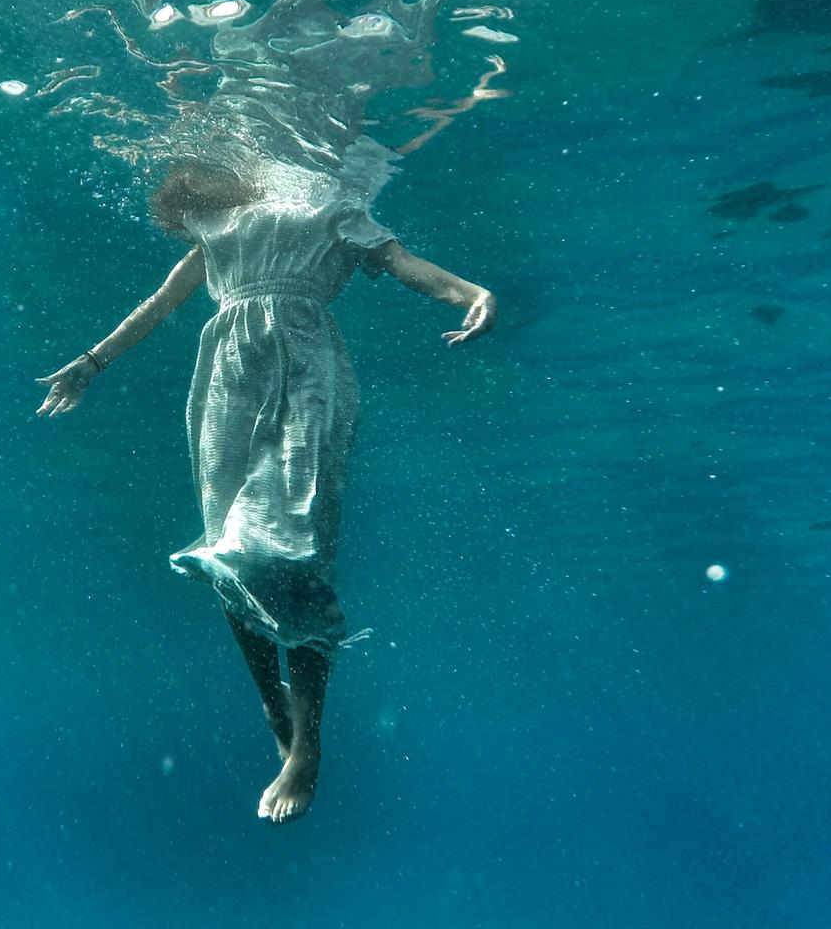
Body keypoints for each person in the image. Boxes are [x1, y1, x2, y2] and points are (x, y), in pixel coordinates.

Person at [35, 135, 495, 823]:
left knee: (293, 545)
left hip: (309, 363)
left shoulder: (335, 200)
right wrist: (90, 362)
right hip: (226, 376)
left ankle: (307, 744)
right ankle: (268, 698)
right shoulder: (218, 218)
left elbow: (401, 263)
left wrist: (469, 291)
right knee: (229, 548)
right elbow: (163, 301)